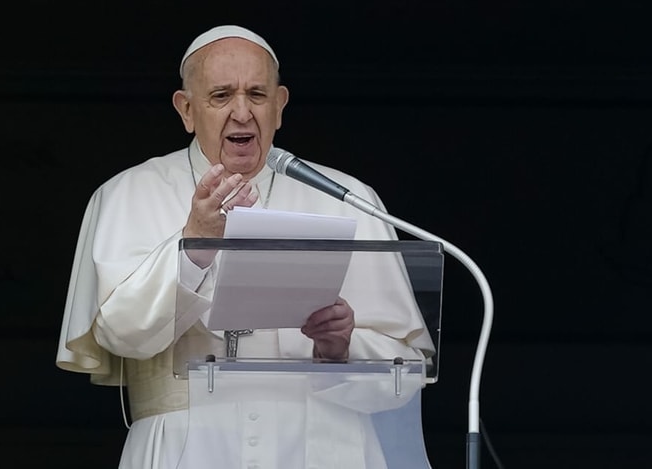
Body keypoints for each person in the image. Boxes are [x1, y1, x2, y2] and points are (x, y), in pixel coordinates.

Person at [56, 25, 435, 469]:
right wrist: (195, 242)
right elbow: (122, 335)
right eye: (220, 96)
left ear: (280, 106)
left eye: (257, 94)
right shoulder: (129, 193)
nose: (241, 112)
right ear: (186, 110)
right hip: (188, 450)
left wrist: (340, 350)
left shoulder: (346, 197)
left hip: (327, 450)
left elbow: (404, 374)